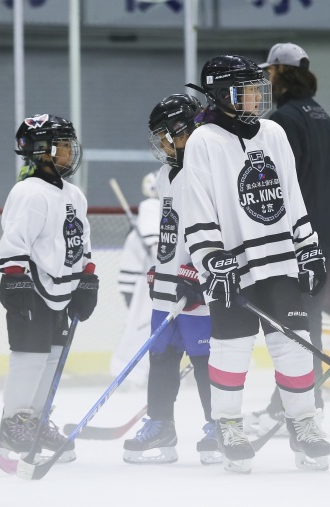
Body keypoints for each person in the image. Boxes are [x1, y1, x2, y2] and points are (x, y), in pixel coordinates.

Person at [182, 54, 330, 474]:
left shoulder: (274, 132)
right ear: (219, 94)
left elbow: (292, 195)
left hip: (279, 261)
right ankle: (228, 425)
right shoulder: (203, 141)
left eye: (255, 87)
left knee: (296, 343)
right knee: (231, 348)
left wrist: (308, 246)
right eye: (243, 89)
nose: (253, 95)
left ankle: (303, 423)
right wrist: (211, 261)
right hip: (232, 265)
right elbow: (198, 208)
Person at [245, 42, 330, 437]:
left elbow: (279, 186)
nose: (266, 78)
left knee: (293, 327)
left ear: (282, 73)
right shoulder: (322, 116)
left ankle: (291, 406)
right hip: (325, 236)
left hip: (295, 239)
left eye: (270, 72)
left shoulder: (282, 120)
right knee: (306, 322)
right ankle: (305, 402)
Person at [122, 94, 221, 466]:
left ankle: (218, 426)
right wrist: (162, 268)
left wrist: (201, 271)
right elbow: (171, 231)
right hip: (168, 288)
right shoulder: (166, 174)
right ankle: (161, 424)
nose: (163, 144)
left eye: (167, 135)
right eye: (158, 138)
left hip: (202, 285)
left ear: (188, 130)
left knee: (204, 358)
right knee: (161, 356)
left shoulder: (211, 170)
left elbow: (224, 228)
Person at [0, 114, 97, 465]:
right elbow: (15, 242)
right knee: (30, 357)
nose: (70, 151)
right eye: (62, 145)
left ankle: (35, 421)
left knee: (51, 357)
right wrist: (14, 279)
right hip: (33, 289)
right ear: (41, 151)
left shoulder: (74, 194)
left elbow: (81, 242)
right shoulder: (27, 192)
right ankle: (13, 424)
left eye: (70, 144)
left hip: (62, 291)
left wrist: (87, 278)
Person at [111, 172, 159, 388]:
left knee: (145, 326)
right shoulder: (152, 207)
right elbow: (156, 246)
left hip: (138, 282)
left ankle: (139, 373)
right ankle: (133, 375)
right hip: (143, 284)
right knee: (143, 327)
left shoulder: (149, 210)